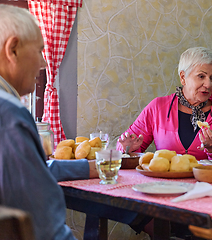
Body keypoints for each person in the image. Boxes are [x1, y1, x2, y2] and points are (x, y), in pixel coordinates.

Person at [0, 5, 142, 240]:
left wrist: (86, 167)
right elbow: (43, 225)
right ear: (12, 50)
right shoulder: (10, 115)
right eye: (39, 51)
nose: (44, 64)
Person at [116, 47, 212, 160]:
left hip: (207, 182)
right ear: (183, 77)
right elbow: (127, 149)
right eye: (201, 76)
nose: (209, 84)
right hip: (165, 182)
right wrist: (127, 149)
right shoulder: (158, 107)